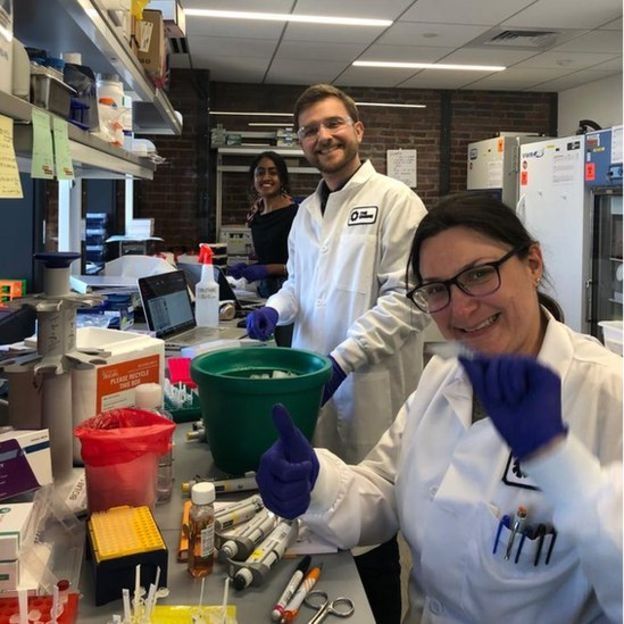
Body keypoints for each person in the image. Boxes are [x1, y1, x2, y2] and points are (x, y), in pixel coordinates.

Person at [256, 193, 623, 624]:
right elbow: (387, 486)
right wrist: (317, 482)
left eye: (479, 274)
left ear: (533, 264)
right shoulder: (445, 375)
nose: (461, 308)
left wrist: (559, 464)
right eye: (437, 290)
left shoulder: (607, 394)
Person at [245, 84, 430, 623]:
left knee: (372, 530)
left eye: (332, 124)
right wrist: (274, 310)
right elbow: (299, 286)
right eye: (309, 130)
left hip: (371, 394)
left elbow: (409, 299)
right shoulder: (306, 212)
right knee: (317, 515)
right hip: (314, 388)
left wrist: (344, 359)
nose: (322, 136)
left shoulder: (396, 201)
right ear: (301, 143)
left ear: (357, 130)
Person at [229, 151, 298, 346]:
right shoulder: (256, 214)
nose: (266, 178)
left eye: (273, 172)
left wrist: (267, 269)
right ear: (253, 179)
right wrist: (250, 268)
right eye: (260, 173)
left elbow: (303, 266)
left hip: (290, 296)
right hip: (265, 293)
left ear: (282, 178)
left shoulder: (295, 214)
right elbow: (270, 254)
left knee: (284, 349)